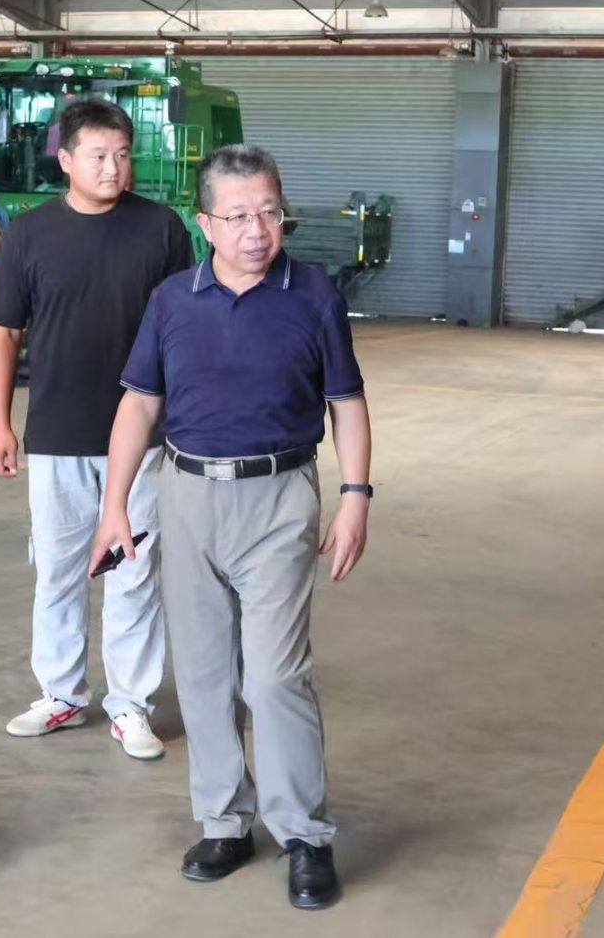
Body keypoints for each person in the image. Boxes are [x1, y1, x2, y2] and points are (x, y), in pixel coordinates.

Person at [92, 143, 372, 912]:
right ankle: (224, 821)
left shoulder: (313, 294)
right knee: (206, 671)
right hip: (186, 496)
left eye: (270, 213)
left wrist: (355, 495)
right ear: (206, 223)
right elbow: (139, 404)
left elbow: (345, 402)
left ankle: (304, 835)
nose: (257, 231)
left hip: (279, 497)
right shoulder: (172, 301)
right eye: (240, 216)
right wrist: (115, 506)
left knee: (275, 675)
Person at [0, 98, 192, 760]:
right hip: (58, 432)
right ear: (66, 160)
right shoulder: (29, 234)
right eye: (98, 156)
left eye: (123, 155)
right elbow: (2, 332)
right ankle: (62, 695)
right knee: (59, 570)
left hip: (146, 437)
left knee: (135, 572)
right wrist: (1, 424)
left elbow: (186, 330)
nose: (113, 168)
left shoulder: (161, 229)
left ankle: (131, 704)